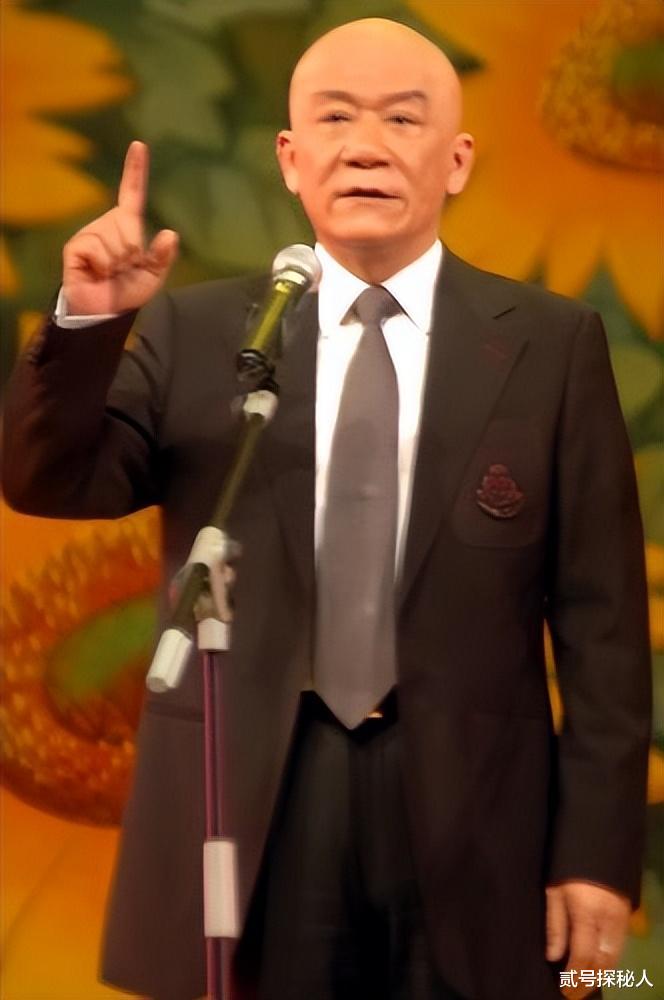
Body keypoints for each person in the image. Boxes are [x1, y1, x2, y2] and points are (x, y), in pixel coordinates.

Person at [2, 17, 651, 1000]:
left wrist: (597, 851)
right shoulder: (201, 331)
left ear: (458, 159)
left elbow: (604, 626)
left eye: (403, 119)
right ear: (290, 158)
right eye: (336, 118)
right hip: (256, 796)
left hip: (478, 808)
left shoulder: (551, 344)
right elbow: (51, 482)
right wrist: (90, 320)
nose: (365, 146)